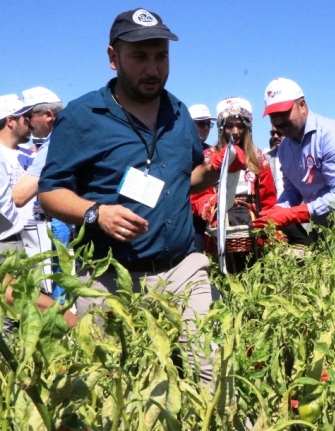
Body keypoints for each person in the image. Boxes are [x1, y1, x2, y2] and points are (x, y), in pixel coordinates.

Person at [37, 8, 246, 382]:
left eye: (161, 56)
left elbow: (188, 179)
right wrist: (95, 212)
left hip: (182, 267)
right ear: (113, 58)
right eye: (139, 56)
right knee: (115, 383)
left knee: (212, 370)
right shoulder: (84, 116)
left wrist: (214, 172)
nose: (153, 68)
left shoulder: (179, 114)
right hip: (107, 275)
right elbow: (49, 194)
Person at [253, 78, 335, 244]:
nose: (277, 121)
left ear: (302, 105)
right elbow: (292, 190)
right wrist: (277, 211)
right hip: (325, 221)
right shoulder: (284, 148)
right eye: (272, 116)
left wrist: (293, 214)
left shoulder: (332, 135)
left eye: (283, 113)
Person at [0, 94, 76, 336]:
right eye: (26, 117)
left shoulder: (23, 154)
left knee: (18, 312)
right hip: (5, 240)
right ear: (10, 120)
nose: (30, 122)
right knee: (15, 301)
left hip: (18, 239)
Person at [191, 97, 277, 268]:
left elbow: (268, 200)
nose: (235, 131)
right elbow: (197, 196)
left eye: (241, 126)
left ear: (248, 128)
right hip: (217, 228)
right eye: (229, 125)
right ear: (222, 128)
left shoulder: (259, 159)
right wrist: (216, 204)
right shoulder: (208, 157)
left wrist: (270, 227)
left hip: (252, 228)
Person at [11, 87, 68, 299]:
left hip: (72, 219)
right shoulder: (82, 130)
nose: (27, 122)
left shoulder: (56, 141)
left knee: (62, 272)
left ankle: (61, 317)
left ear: (48, 115)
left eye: (28, 116)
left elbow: (20, 196)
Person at [188, 103, 215, 252]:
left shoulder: (213, 152)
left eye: (208, 124)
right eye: (200, 123)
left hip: (208, 216)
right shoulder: (180, 150)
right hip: (188, 218)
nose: (205, 127)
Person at [265, 126, 284, 197]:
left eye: (279, 133)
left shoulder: (298, 155)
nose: (275, 136)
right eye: (273, 133)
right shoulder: (265, 158)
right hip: (274, 205)